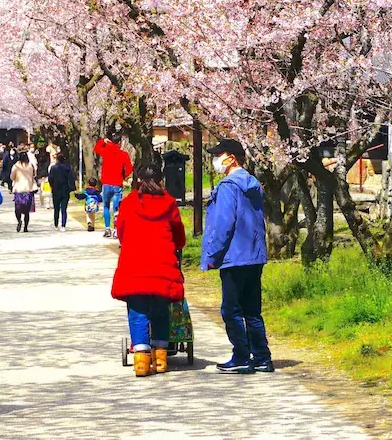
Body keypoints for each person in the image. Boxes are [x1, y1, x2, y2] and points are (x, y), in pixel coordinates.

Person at [201, 138, 273, 374]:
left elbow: (223, 225)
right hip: (254, 255)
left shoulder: (228, 187)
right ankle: (262, 357)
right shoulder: (253, 184)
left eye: (218, 155)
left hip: (234, 255)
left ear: (231, 158)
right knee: (252, 310)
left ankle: (242, 356)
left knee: (231, 310)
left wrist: (212, 255)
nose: (215, 160)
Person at [111, 156, 186, 377]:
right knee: (161, 311)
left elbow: (122, 232)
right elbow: (178, 235)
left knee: (138, 311)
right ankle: (161, 358)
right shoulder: (169, 203)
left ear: (138, 180)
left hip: (135, 263)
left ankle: (141, 361)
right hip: (163, 264)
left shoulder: (129, 202)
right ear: (161, 181)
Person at [95, 133, 133, 238]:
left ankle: (107, 229)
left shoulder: (106, 151)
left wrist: (103, 140)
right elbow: (129, 169)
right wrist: (123, 176)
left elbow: (97, 148)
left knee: (106, 206)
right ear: (120, 142)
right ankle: (116, 229)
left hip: (106, 183)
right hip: (117, 184)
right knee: (117, 209)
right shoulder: (123, 154)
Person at [10, 153, 38, 233]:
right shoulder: (31, 166)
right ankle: (25, 227)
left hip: (18, 189)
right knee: (26, 211)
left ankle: (19, 220)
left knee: (17, 208)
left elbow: (12, 177)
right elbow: (34, 175)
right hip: (28, 189)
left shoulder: (16, 166)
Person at [47, 155, 76, 231]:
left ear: (57, 159)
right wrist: (72, 188)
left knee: (56, 208)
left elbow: (50, 178)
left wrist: (52, 185)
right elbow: (71, 179)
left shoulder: (53, 168)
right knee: (64, 209)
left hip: (56, 190)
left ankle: (56, 224)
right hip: (65, 190)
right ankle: (63, 225)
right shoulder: (67, 168)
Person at [35, 143, 51, 209]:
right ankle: (44, 202)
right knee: (44, 189)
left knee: (45, 189)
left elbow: (47, 163)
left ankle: (46, 203)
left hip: (43, 174)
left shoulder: (46, 155)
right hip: (43, 173)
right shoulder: (38, 154)